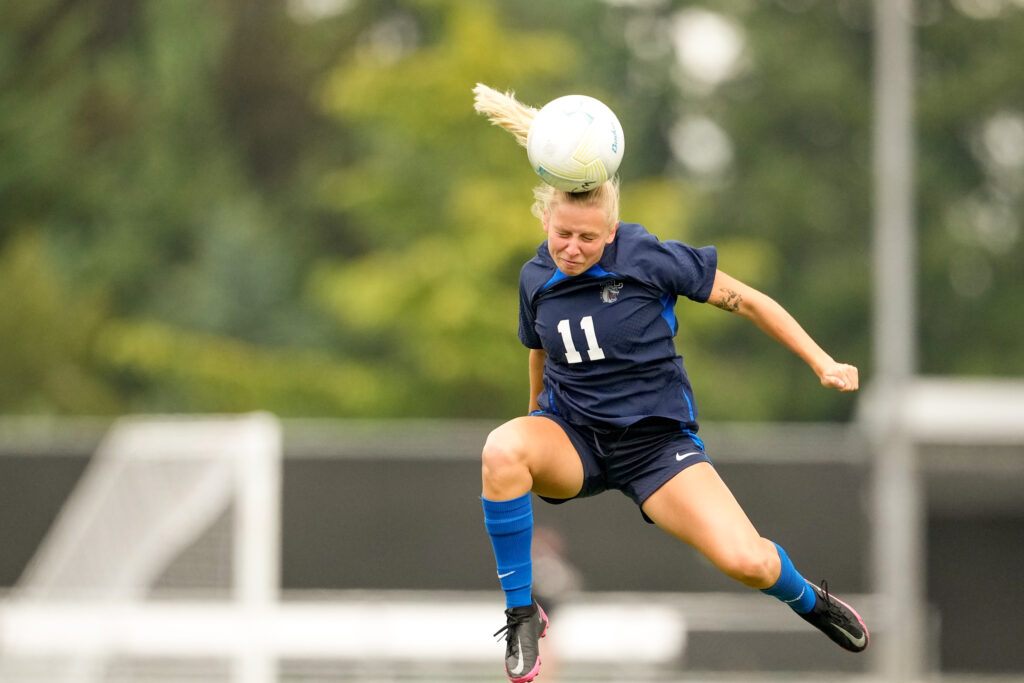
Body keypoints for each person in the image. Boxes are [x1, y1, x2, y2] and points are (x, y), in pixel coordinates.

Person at [473, 83, 869, 683]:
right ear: (546, 220)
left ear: (612, 232)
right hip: (574, 437)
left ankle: (810, 601)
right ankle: (523, 614)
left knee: (750, 562)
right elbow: (539, 352)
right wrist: (533, 421)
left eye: (587, 238)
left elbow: (751, 302)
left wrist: (820, 360)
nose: (572, 249)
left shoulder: (649, 258)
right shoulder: (534, 277)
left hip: (655, 448)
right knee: (501, 449)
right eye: (562, 236)